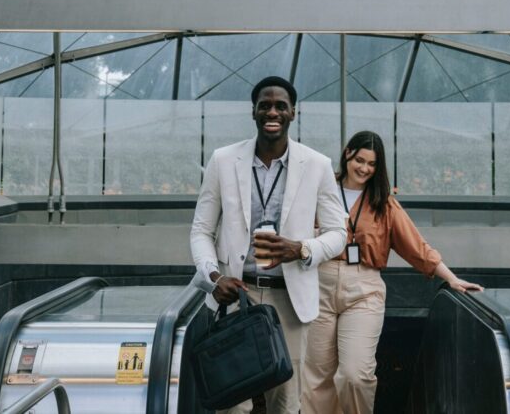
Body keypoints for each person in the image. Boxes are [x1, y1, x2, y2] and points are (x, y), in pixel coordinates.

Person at [190, 76, 347, 414]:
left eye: (280, 106)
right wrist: (214, 278)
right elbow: (201, 230)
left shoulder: (317, 164)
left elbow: (338, 233)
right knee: (232, 404)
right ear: (254, 112)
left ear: (293, 113)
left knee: (286, 401)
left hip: (290, 300)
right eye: (265, 105)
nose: (272, 111)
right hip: (235, 295)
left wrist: (302, 249)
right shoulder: (222, 160)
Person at [301, 130, 483, 414]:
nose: (364, 168)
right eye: (360, 160)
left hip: (363, 289)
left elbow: (415, 246)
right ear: (347, 154)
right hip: (318, 285)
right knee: (316, 379)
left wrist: (451, 278)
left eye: (372, 164)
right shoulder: (322, 190)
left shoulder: (383, 203)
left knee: (355, 375)